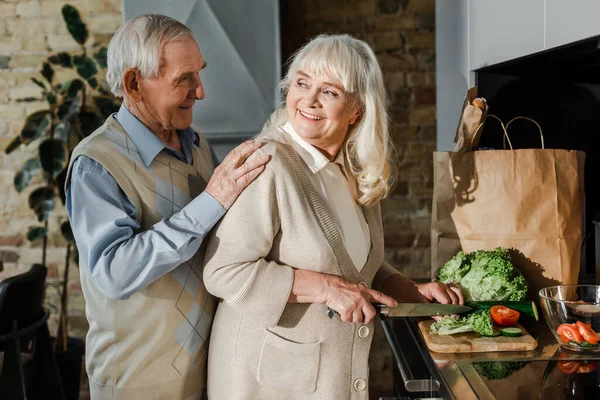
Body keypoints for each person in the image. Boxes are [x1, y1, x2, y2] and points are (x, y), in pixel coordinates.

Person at [202, 34, 463, 400]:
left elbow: (356, 270)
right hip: (267, 385)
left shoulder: (353, 172)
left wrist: (411, 292)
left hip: (327, 383)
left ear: (356, 110)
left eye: (329, 91)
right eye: (302, 83)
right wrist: (325, 289)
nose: (308, 100)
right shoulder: (268, 164)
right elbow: (223, 271)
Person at [64, 14, 269, 399]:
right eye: (184, 79)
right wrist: (212, 201)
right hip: (138, 384)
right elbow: (114, 272)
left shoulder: (196, 144)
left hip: (211, 373)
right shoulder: (96, 163)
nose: (201, 91)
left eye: (199, 74)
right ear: (134, 83)